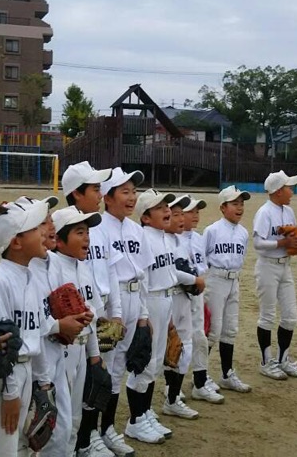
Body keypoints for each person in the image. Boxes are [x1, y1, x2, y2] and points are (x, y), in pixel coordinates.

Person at [0, 200, 55, 457]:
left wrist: (43, 384)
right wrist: (10, 393)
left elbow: (36, 336)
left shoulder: (29, 277)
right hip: (2, 379)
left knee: (24, 448)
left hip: (24, 373)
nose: (44, 232)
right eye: (35, 228)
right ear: (16, 242)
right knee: (2, 449)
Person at [60, 162, 126, 456]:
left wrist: (115, 314)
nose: (100, 194)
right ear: (76, 193)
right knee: (80, 389)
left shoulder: (98, 228)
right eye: (95, 189)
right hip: (76, 325)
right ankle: (84, 440)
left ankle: (93, 434)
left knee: (99, 380)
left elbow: (110, 271)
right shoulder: (63, 231)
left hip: (100, 313)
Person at [97, 168, 158, 449]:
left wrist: (144, 315)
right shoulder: (98, 228)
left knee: (120, 366)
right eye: (125, 192)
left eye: (134, 191)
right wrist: (112, 314)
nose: (132, 197)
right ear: (107, 197)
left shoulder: (136, 230)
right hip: (113, 302)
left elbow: (142, 276)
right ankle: (97, 431)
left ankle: (108, 428)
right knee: (106, 367)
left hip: (134, 299)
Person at [128, 189, 179, 441]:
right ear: (146, 217)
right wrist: (144, 314)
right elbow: (143, 280)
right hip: (151, 301)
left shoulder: (165, 238)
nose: (167, 210)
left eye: (167, 206)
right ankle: (135, 420)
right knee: (144, 364)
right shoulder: (144, 238)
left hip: (166, 299)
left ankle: (145, 412)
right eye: (159, 208)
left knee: (156, 363)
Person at [252, 171, 297, 380]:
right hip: (267, 267)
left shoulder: (289, 211)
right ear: (278, 191)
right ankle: (266, 362)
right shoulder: (265, 212)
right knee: (267, 315)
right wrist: (282, 243)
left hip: (285, 266)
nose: (292, 191)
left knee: (290, 316)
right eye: (288, 188)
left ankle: (283, 359)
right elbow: (258, 243)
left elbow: (293, 236)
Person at [203, 186, 253, 393]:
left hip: (234, 281)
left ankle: (226, 374)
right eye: (234, 204)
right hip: (216, 279)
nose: (239, 208)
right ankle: (201, 376)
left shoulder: (243, 233)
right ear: (223, 207)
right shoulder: (212, 230)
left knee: (230, 329)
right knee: (212, 330)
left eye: (241, 204)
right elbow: (202, 258)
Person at [161, 195, 204, 420]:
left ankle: (172, 398)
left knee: (183, 348)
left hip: (183, 300)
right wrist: (193, 280)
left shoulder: (180, 241)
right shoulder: (161, 241)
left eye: (180, 214)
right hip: (168, 298)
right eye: (174, 214)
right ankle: (166, 396)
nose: (179, 219)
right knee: (164, 351)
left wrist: (193, 281)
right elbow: (172, 273)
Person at [181, 197, 223, 404]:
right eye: (190, 211)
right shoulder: (172, 238)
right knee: (178, 340)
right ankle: (172, 387)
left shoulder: (198, 238)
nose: (195, 215)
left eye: (197, 211)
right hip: (179, 294)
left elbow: (202, 266)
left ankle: (200, 382)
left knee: (200, 337)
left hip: (196, 292)